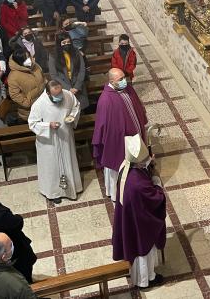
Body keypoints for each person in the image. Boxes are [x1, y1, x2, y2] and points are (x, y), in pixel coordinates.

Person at [112, 134, 166, 289]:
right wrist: (156, 179)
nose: (147, 161)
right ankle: (146, 279)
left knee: (135, 245)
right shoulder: (138, 184)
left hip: (131, 216)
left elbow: (143, 168)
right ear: (139, 162)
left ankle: (143, 276)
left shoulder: (126, 166)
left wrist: (149, 163)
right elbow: (156, 198)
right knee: (143, 249)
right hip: (141, 223)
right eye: (145, 160)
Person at [92, 68, 148, 201]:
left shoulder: (128, 88)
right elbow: (102, 125)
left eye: (124, 77)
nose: (124, 81)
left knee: (137, 162)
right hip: (118, 142)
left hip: (135, 137)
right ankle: (118, 193)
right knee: (119, 167)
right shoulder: (106, 100)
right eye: (120, 79)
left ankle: (137, 187)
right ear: (111, 81)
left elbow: (137, 106)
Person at [28, 80, 83, 204]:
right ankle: (53, 193)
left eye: (60, 93)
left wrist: (72, 117)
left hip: (65, 137)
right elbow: (32, 123)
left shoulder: (67, 95)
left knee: (68, 161)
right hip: (49, 142)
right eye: (56, 95)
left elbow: (76, 106)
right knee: (51, 168)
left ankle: (71, 188)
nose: (59, 97)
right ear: (48, 93)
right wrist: (48, 125)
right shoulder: (39, 103)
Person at [49, 32, 89, 110]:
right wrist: (68, 88)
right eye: (64, 42)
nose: (67, 44)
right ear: (59, 43)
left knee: (80, 109)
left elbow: (82, 70)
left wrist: (77, 87)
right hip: (64, 87)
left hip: (78, 86)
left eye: (68, 42)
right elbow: (54, 75)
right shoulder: (53, 55)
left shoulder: (76, 52)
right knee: (68, 111)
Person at [8, 48, 45, 123]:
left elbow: (43, 78)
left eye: (28, 57)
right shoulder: (13, 77)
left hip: (44, 105)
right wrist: (28, 103)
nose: (29, 60)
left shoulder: (35, 66)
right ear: (19, 62)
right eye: (25, 59)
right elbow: (15, 95)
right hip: (30, 112)